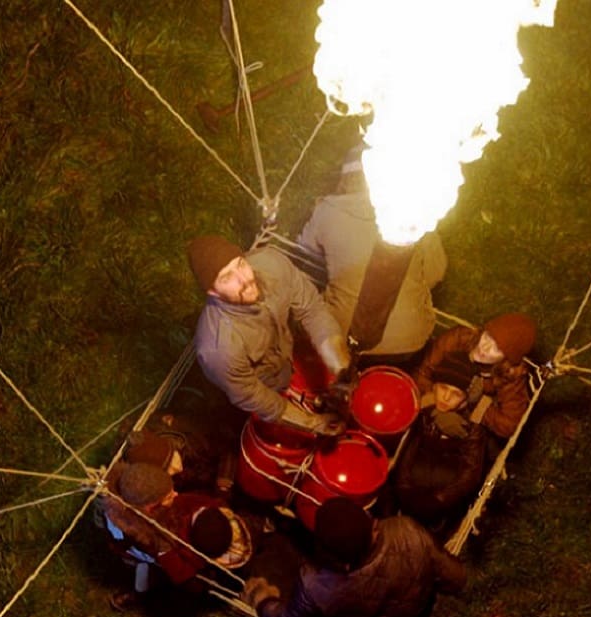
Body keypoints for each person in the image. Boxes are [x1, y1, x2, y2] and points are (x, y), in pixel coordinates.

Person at [242, 497, 466, 617]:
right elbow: (456, 579)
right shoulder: (407, 531)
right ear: (373, 531)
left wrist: (263, 600)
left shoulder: (316, 585)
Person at [297, 145, 447, 366]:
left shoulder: (328, 210)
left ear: (346, 177)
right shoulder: (415, 210)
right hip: (410, 341)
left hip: (341, 337)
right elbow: (436, 271)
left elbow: (304, 252)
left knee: (309, 313)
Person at [188, 234, 352, 434]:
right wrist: (313, 423)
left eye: (240, 264)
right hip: (261, 388)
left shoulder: (272, 264)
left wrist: (340, 366)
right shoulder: (218, 348)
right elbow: (253, 395)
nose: (245, 280)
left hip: (287, 358)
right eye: (227, 277)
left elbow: (313, 309)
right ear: (213, 292)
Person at [95, 459, 251, 610]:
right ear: (151, 508)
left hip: (187, 546)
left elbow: (198, 503)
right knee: (144, 570)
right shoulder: (141, 530)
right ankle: (139, 594)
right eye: (169, 496)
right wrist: (163, 551)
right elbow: (179, 571)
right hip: (144, 554)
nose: (176, 494)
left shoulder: (177, 509)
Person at [395, 352, 487, 528]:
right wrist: (404, 488)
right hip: (413, 485)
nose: (446, 398)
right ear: (435, 386)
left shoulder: (472, 424)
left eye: (456, 394)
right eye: (443, 388)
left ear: (465, 400)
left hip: (444, 493)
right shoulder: (424, 411)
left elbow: (471, 473)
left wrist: (439, 500)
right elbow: (407, 450)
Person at [413, 312, 537, 439]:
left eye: (497, 349)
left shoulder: (510, 375)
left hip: (470, 415)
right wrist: (434, 407)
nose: (484, 348)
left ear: (507, 359)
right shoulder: (458, 339)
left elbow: (510, 425)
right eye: (488, 336)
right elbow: (423, 373)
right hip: (437, 394)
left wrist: (474, 404)